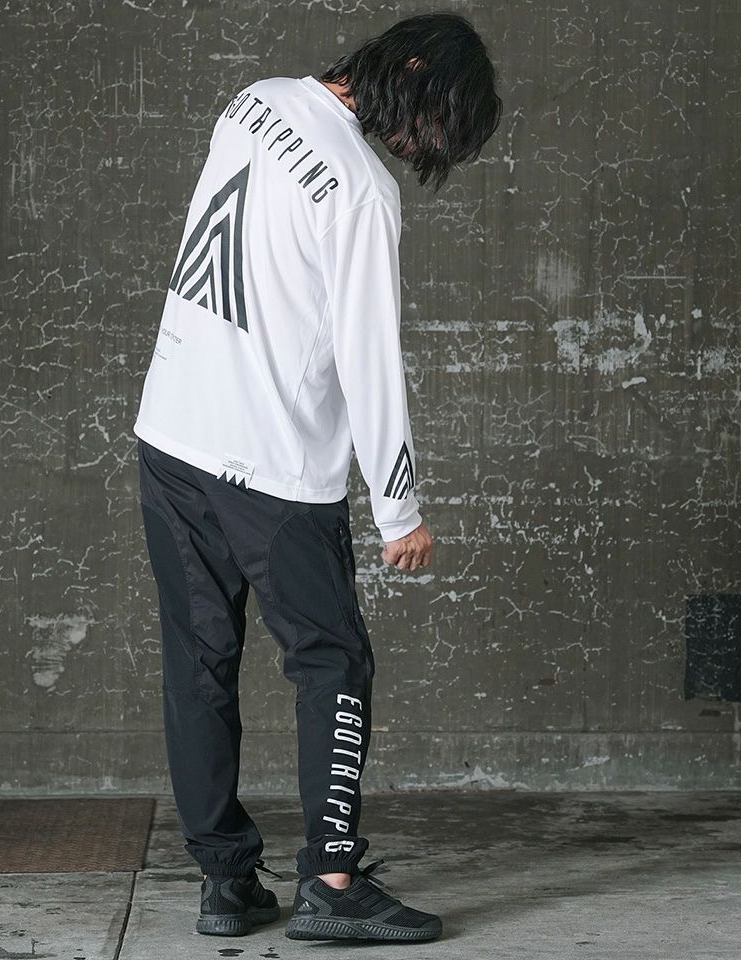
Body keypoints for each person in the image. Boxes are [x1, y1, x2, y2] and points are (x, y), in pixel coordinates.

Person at [133, 10, 502, 943]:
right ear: (411, 69)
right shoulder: (362, 191)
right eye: (435, 122)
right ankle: (331, 884)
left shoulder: (253, 102)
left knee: (199, 662)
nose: (422, 146)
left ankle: (225, 883)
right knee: (333, 663)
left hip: (172, 427)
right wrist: (399, 510)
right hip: (272, 465)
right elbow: (371, 363)